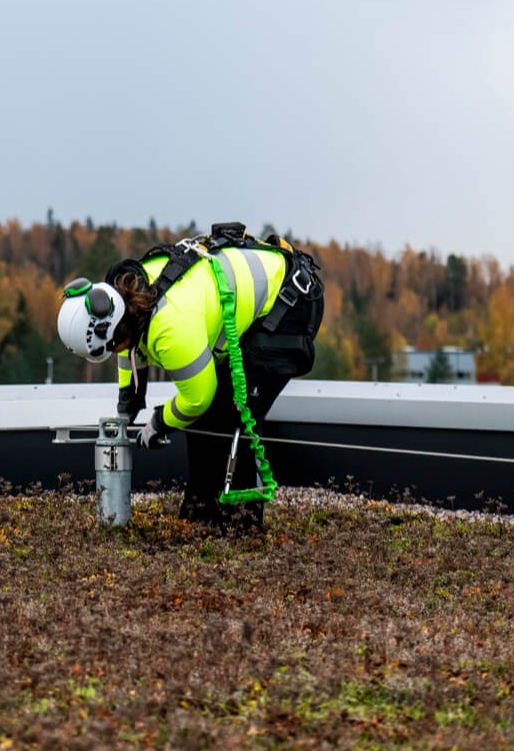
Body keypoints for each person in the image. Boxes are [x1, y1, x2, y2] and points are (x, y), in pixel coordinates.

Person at [55, 223, 324, 527]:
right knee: (209, 417)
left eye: (114, 346)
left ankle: (241, 525)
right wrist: (128, 404)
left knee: (232, 413)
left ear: (118, 330)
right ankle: (199, 513)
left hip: (290, 303)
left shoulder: (171, 329)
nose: (116, 352)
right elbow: (130, 351)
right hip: (255, 302)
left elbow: (197, 398)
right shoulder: (129, 291)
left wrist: (158, 423)